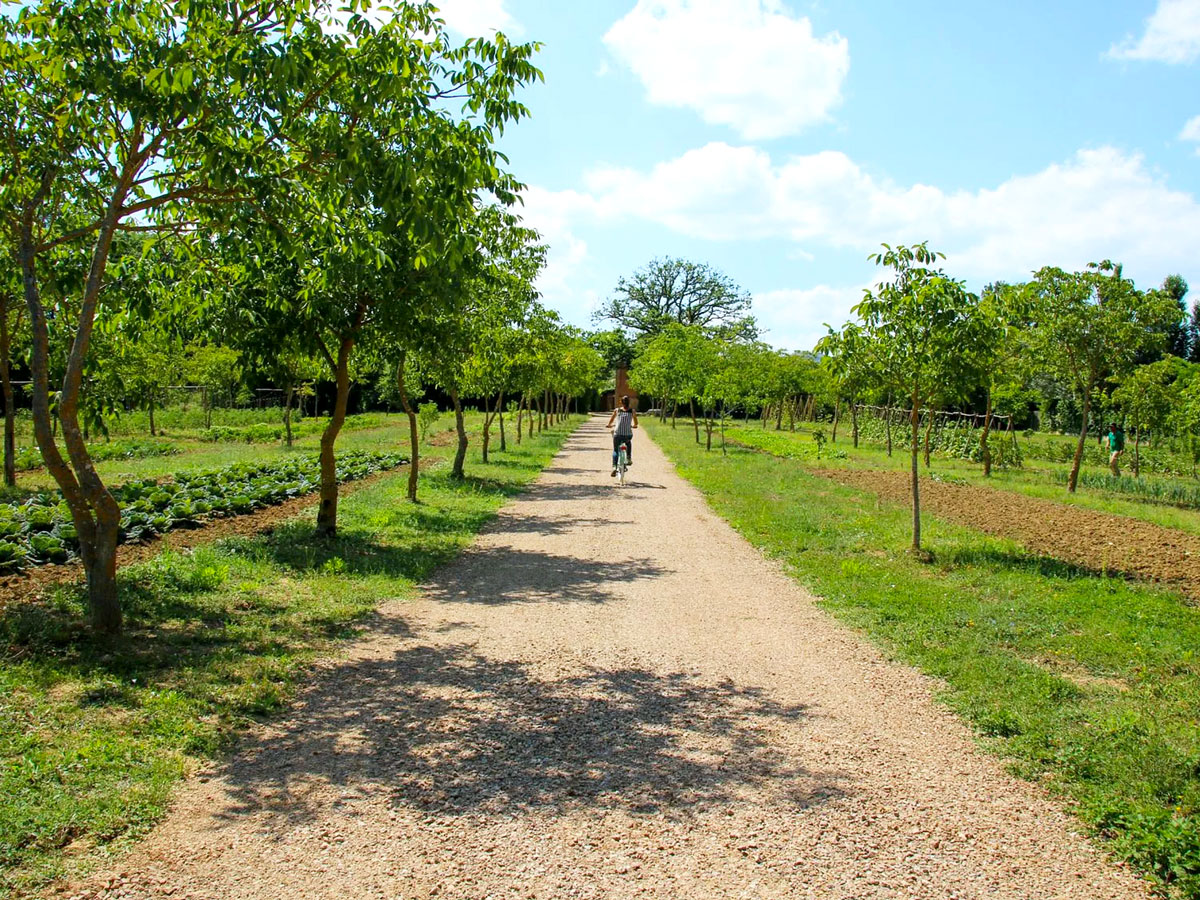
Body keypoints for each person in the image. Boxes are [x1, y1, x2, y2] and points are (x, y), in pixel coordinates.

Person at [606, 395, 638, 477]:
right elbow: (636, 423)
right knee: (628, 442)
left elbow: (612, 419)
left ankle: (614, 467)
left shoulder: (617, 410)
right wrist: (634, 425)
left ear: (621, 402)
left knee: (616, 450)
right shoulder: (632, 411)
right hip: (627, 435)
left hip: (618, 434)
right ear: (629, 402)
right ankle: (628, 457)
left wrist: (609, 425)